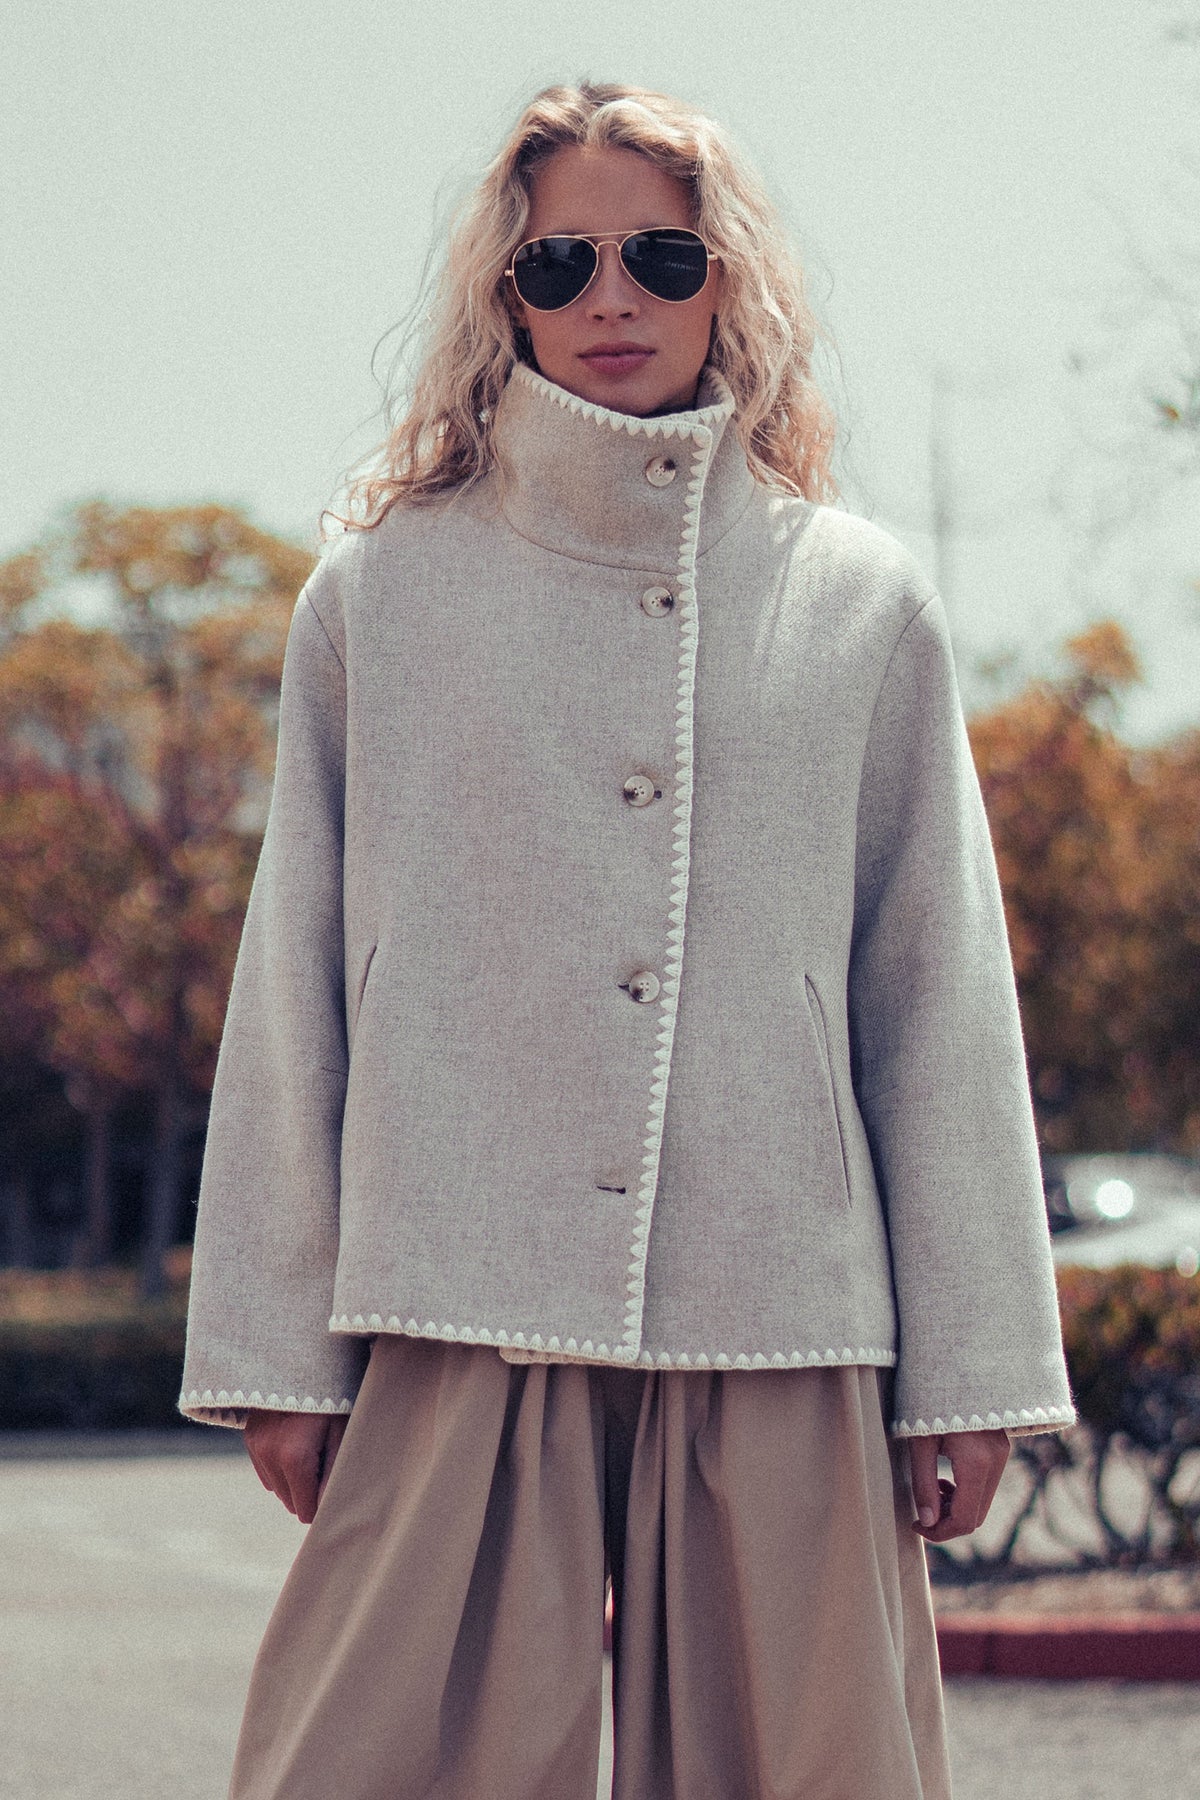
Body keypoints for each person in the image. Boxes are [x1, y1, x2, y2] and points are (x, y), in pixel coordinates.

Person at [179, 80, 1075, 1800]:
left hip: (780, 1302)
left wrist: (971, 1373)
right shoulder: (380, 593)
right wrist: (278, 1353)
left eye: (662, 257)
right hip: (457, 1285)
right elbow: (290, 984)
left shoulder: (859, 600)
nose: (612, 297)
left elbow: (939, 999)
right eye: (561, 263)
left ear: (727, 280)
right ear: (503, 295)